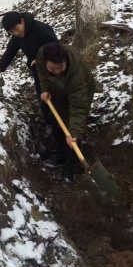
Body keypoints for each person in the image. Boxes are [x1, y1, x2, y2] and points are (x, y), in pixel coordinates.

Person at [36, 42, 96, 182]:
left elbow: (78, 108)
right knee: (56, 121)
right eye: (52, 68)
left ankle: (71, 167)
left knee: (71, 130)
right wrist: (45, 88)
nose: (57, 71)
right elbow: (42, 73)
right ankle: (62, 154)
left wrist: (74, 133)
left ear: (65, 62)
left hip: (80, 93)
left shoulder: (75, 74)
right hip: (58, 89)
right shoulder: (41, 54)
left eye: (60, 68)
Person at [0, 11, 59, 132]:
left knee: (57, 98)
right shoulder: (17, 37)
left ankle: (63, 127)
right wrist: (1, 66)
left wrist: (42, 58)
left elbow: (56, 47)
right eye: (12, 32)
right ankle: (51, 126)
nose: (16, 33)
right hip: (38, 72)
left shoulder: (41, 29)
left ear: (22, 21)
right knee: (43, 99)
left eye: (17, 28)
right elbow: (11, 50)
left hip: (54, 70)